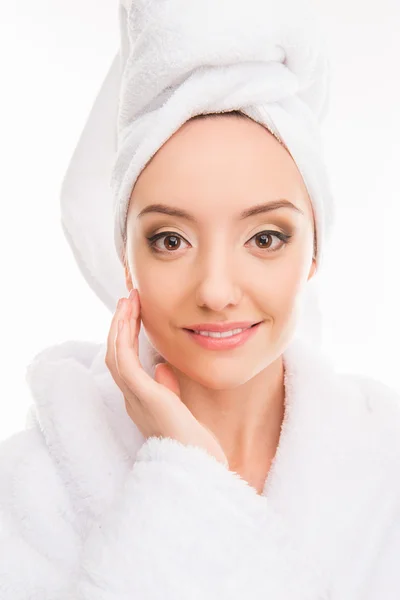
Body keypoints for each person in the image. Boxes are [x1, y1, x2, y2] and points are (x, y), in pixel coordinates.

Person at [1, 1, 400, 599]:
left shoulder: (385, 466)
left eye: (265, 238)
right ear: (125, 256)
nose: (215, 290)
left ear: (313, 252)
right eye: (170, 240)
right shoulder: (27, 490)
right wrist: (185, 473)